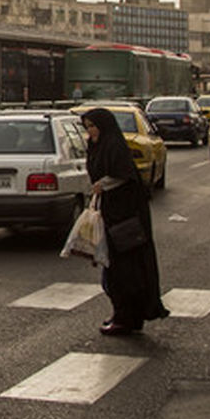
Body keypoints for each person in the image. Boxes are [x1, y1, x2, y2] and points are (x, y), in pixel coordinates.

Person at [81, 107, 169, 335]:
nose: (90, 132)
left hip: (125, 218)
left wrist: (104, 185)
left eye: (93, 127)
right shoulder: (97, 146)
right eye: (88, 127)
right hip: (110, 214)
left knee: (126, 269)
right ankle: (123, 314)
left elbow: (124, 175)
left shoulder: (114, 146)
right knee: (114, 268)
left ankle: (127, 316)